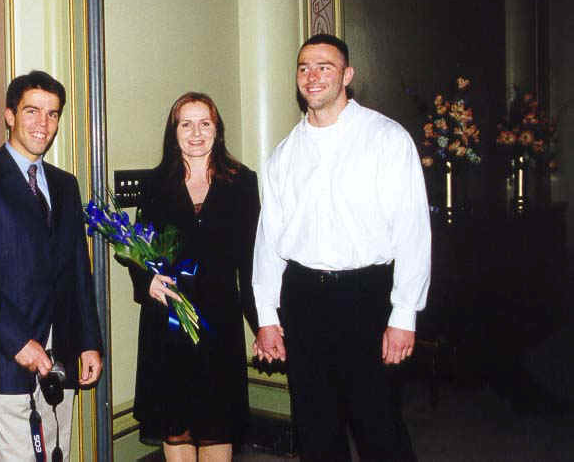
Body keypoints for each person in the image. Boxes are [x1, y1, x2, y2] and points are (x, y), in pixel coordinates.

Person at [252, 34, 431, 461]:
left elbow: (413, 231)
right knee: (315, 426)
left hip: (366, 297)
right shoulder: (284, 153)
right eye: (304, 68)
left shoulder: (387, 139)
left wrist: (404, 313)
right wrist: (266, 317)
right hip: (303, 298)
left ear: (347, 75)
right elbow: (268, 241)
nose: (312, 77)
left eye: (324, 67)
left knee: (379, 424)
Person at [0, 70, 103, 461]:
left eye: (53, 114)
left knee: (56, 454)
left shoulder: (65, 184)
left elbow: (78, 272)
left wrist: (89, 342)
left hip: (62, 356)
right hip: (8, 361)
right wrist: (18, 343)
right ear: (9, 115)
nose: (43, 124)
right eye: (32, 111)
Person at [130, 92, 260, 462]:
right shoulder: (155, 183)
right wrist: (146, 282)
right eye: (186, 124)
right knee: (177, 423)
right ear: (174, 132)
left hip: (219, 322)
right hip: (168, 321)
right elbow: (140, 248)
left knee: (217, 421)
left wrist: (263, 324)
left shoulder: (242, 182)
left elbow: (252, 260)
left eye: (205, 123)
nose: (196, 132)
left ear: (217, 130)